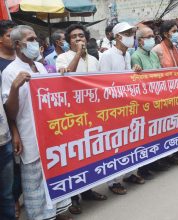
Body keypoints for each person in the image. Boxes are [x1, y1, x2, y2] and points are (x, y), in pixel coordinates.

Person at [2, 25, 72, 220]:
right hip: (29, 132)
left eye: (35, 39)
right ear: (18, 45)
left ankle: (58, 211)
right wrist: (15, 87)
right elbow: (10, 111)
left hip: (49, 131)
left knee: (54, 172)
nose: (36, 43)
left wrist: (62, 76)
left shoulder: (40, 66)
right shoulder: (10, 72)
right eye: (31, 40)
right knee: (35, 181)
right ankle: (41, 216)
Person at [56, 24, 107, 215]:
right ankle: (73, 199)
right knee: (74, 156)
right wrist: (77, 53)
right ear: (68, 41)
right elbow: (65, 77)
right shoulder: (62, 58)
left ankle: (87, 191)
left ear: (86, 38)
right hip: (72, 115)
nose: (78, 39)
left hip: (92, 113)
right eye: (74, 37)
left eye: (81, 36)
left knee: (89, 153)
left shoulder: (94, 59)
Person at [99, 22, 146, 195]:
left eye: (132, 33)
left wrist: (134, 71)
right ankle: (113, 182)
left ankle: (129, 174)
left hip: (128, 107)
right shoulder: (107, 56)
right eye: (127, 34)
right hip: (113, 109)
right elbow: (104, 84)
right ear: (118, 36)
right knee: (115, 145)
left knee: (130, 141)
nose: (131, 37)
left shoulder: (127, 54)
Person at [131, 26, 170, 179]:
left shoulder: (153, 54)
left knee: (157, 132)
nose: (152, 39)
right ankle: (144, 168)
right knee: (145, 135)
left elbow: (159, 72)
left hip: (157, 98)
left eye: (152, 36)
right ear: (140, 41)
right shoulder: (135, 56)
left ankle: (155, 161)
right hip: (145, 101)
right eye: (148, 37)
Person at [151, 21, 178, 164]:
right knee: (164, 126)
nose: (177, 33)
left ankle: (173, 153)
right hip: (164, 95)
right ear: (166, 34)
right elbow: (155, 72)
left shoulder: (176, 48)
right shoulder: (157, 50)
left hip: (177, 93)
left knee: (175, 124)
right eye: (174, 31)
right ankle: (163, 156)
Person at [0, 19, 20, 220]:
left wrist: (13, 131)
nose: (14, 39)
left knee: (7, 193)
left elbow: (5, 106)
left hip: (4, 136)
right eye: (9, 35)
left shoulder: (23, 63)